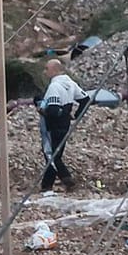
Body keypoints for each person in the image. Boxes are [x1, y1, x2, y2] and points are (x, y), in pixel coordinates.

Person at [38, 58, 88, 193]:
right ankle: (46, 185)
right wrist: (76, 115)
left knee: (51, 155)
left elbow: (53, 110)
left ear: (54, 70)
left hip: (52, 126)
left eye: (46, 69)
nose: (44, 72)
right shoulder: (71, 84)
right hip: (65, 125)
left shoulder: (54, 86)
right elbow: (85, 100)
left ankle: (67, 179)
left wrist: (43, 110)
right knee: (56, 154)